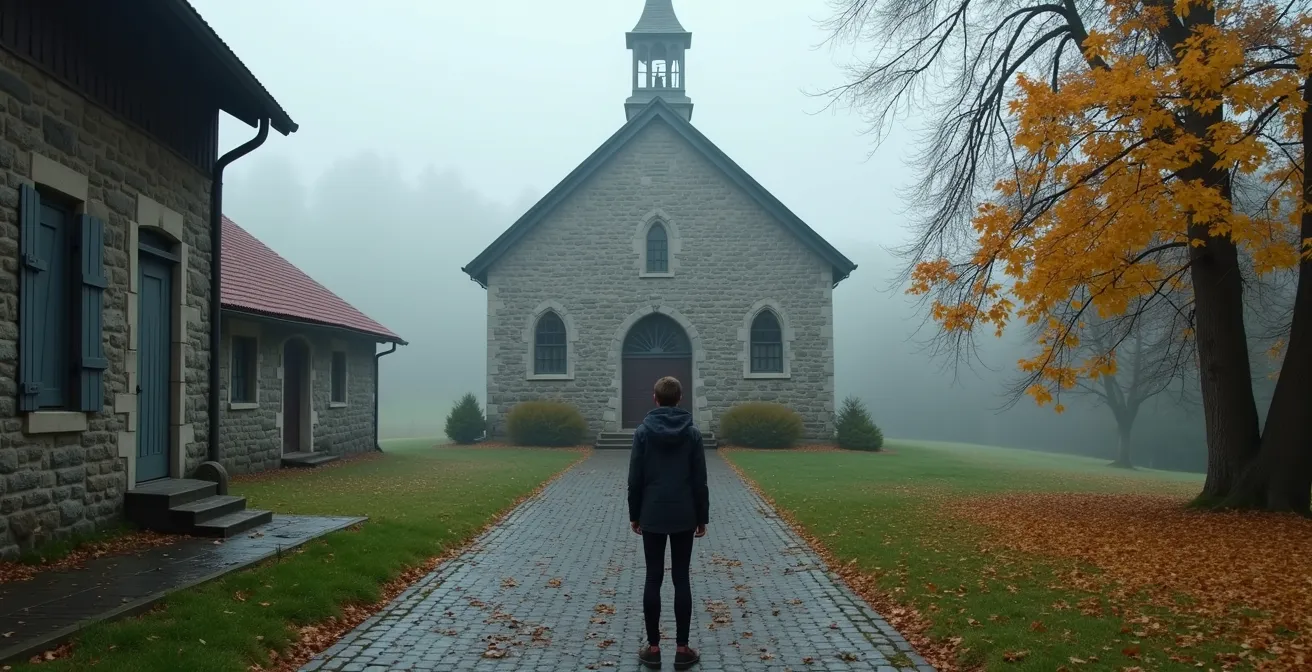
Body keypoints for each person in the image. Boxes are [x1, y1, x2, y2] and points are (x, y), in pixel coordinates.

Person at [627, 376, 709, 671]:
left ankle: (652, 648)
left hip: (652, 512)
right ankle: (683, 649)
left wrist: (634, 514)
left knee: (653, 577)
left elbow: (635, 479)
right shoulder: (692, 434)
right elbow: (700, 480)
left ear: (655, 398)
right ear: (680, 398)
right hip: (684, 513)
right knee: (681, 578)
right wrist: (702, 517)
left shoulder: (642, 433)